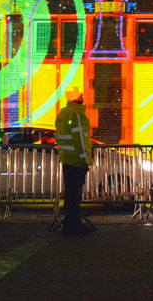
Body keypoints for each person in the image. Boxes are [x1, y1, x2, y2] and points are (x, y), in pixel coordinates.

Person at [55, 86, 95, 236]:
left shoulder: (63, 113)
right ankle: (74, 225)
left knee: (70, 193)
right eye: (81, 94)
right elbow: (81, 139)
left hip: (66, 158)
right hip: (77, 160)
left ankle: (69, 223)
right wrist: (85, 160)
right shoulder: (77, 114)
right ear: (77, 98)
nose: (83, 95)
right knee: (75, 194)